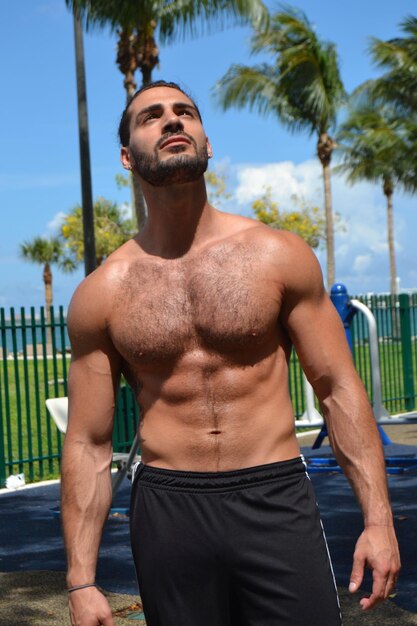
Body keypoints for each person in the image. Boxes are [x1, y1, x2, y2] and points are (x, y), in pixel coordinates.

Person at [61, 80, 400, 626]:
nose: (173, 121)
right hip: (171, 511)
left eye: (185, 113)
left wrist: (378, 521)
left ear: (207, 142)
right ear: (127, 156)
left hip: (275, 496)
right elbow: (88, 442)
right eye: (152, 117)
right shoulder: (102, 292)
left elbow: (337, 388)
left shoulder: (277, 254)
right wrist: (81, 580)